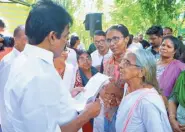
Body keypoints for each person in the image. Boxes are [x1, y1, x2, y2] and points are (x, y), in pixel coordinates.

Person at [1, 1, 101, 132]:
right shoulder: (39, 75)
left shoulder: (25, 60)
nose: (66, 41)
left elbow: (41, 106)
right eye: (65, 36)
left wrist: (64, 97)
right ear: (53, 37)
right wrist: (87, 114)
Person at [116, 49, 172, 132]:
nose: (120, 65)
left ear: (141, 72)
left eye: (127, 63)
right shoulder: (127, 86)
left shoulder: (147, 102)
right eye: (122, 61)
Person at [94, 24, 129, 132]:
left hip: (127, 114)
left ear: (126, 39)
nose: (112, 44)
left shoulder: (135, 61)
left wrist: (117, 91)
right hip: (108, 112)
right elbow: (104, 83)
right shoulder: (106, 60)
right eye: (109, 40)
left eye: (116, 39)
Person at [0, 25, 27, 132]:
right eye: (25, 38)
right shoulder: (9, 63)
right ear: (16, 39)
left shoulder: (24, 59)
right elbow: (3, 97)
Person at [74, 51, 98, 132]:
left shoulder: (95, 71)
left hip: (97, 108)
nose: (86, 61)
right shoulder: (76, 76)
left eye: (88, 58)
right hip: (83, 111)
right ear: (78, 62)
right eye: (82, 59)